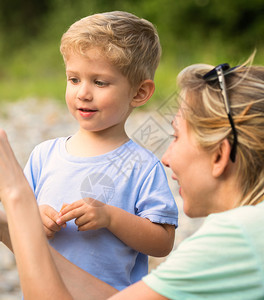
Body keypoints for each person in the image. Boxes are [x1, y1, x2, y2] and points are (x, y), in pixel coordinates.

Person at [0, 52, 264, 299]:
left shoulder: (242, 240)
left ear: (221, 155)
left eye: (176, 136)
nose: (165, 157)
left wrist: (15, 193)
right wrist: (6, 227)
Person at [23, 11, 179, 290]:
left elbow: (163, 242)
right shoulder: (44, 156)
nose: (83, 93)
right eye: (74, 79)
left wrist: (110, 218)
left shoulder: (142, 166)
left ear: (139, 93)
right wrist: (36, 218)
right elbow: (15, 218)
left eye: (99, 82)